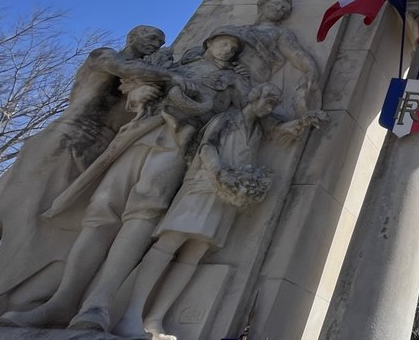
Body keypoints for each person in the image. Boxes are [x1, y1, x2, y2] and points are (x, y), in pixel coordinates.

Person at [0, 28, 249, 331]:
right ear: (209, 42)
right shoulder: (176, 66)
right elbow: (134, 89)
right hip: (137, 136)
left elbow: (242, 116)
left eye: (233, 48)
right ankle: (61, 302)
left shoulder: (234, 80)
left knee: (142, 215)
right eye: (224, 43)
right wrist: (142, 93)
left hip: (179, 144)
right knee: (100, 210)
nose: (227, 50)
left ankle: (98, 305)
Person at [0, 25, 180, 317]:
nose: (156, 44)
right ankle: (2, 294)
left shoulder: (140, 80)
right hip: (66, 140)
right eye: (152, 38)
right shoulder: (104, 56)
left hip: (97, 152)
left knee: (52, 221)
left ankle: (15, 294)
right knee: (21, 211)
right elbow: (121, 67)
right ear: (132, 37)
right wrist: (178, 76)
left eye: (160, 41)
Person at [113, 83, 319, 339]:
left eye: (274, 103)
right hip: (203, 185)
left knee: (195, 252)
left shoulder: (258, 127)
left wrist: (304, 120)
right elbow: (207, 147)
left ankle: (155, 319)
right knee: (170, 242)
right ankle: (130, 314)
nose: (271, 106)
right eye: (268, 100)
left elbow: (280, 130)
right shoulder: (227, 119)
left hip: (226, 195)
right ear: (254, 96)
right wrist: (219, 171)